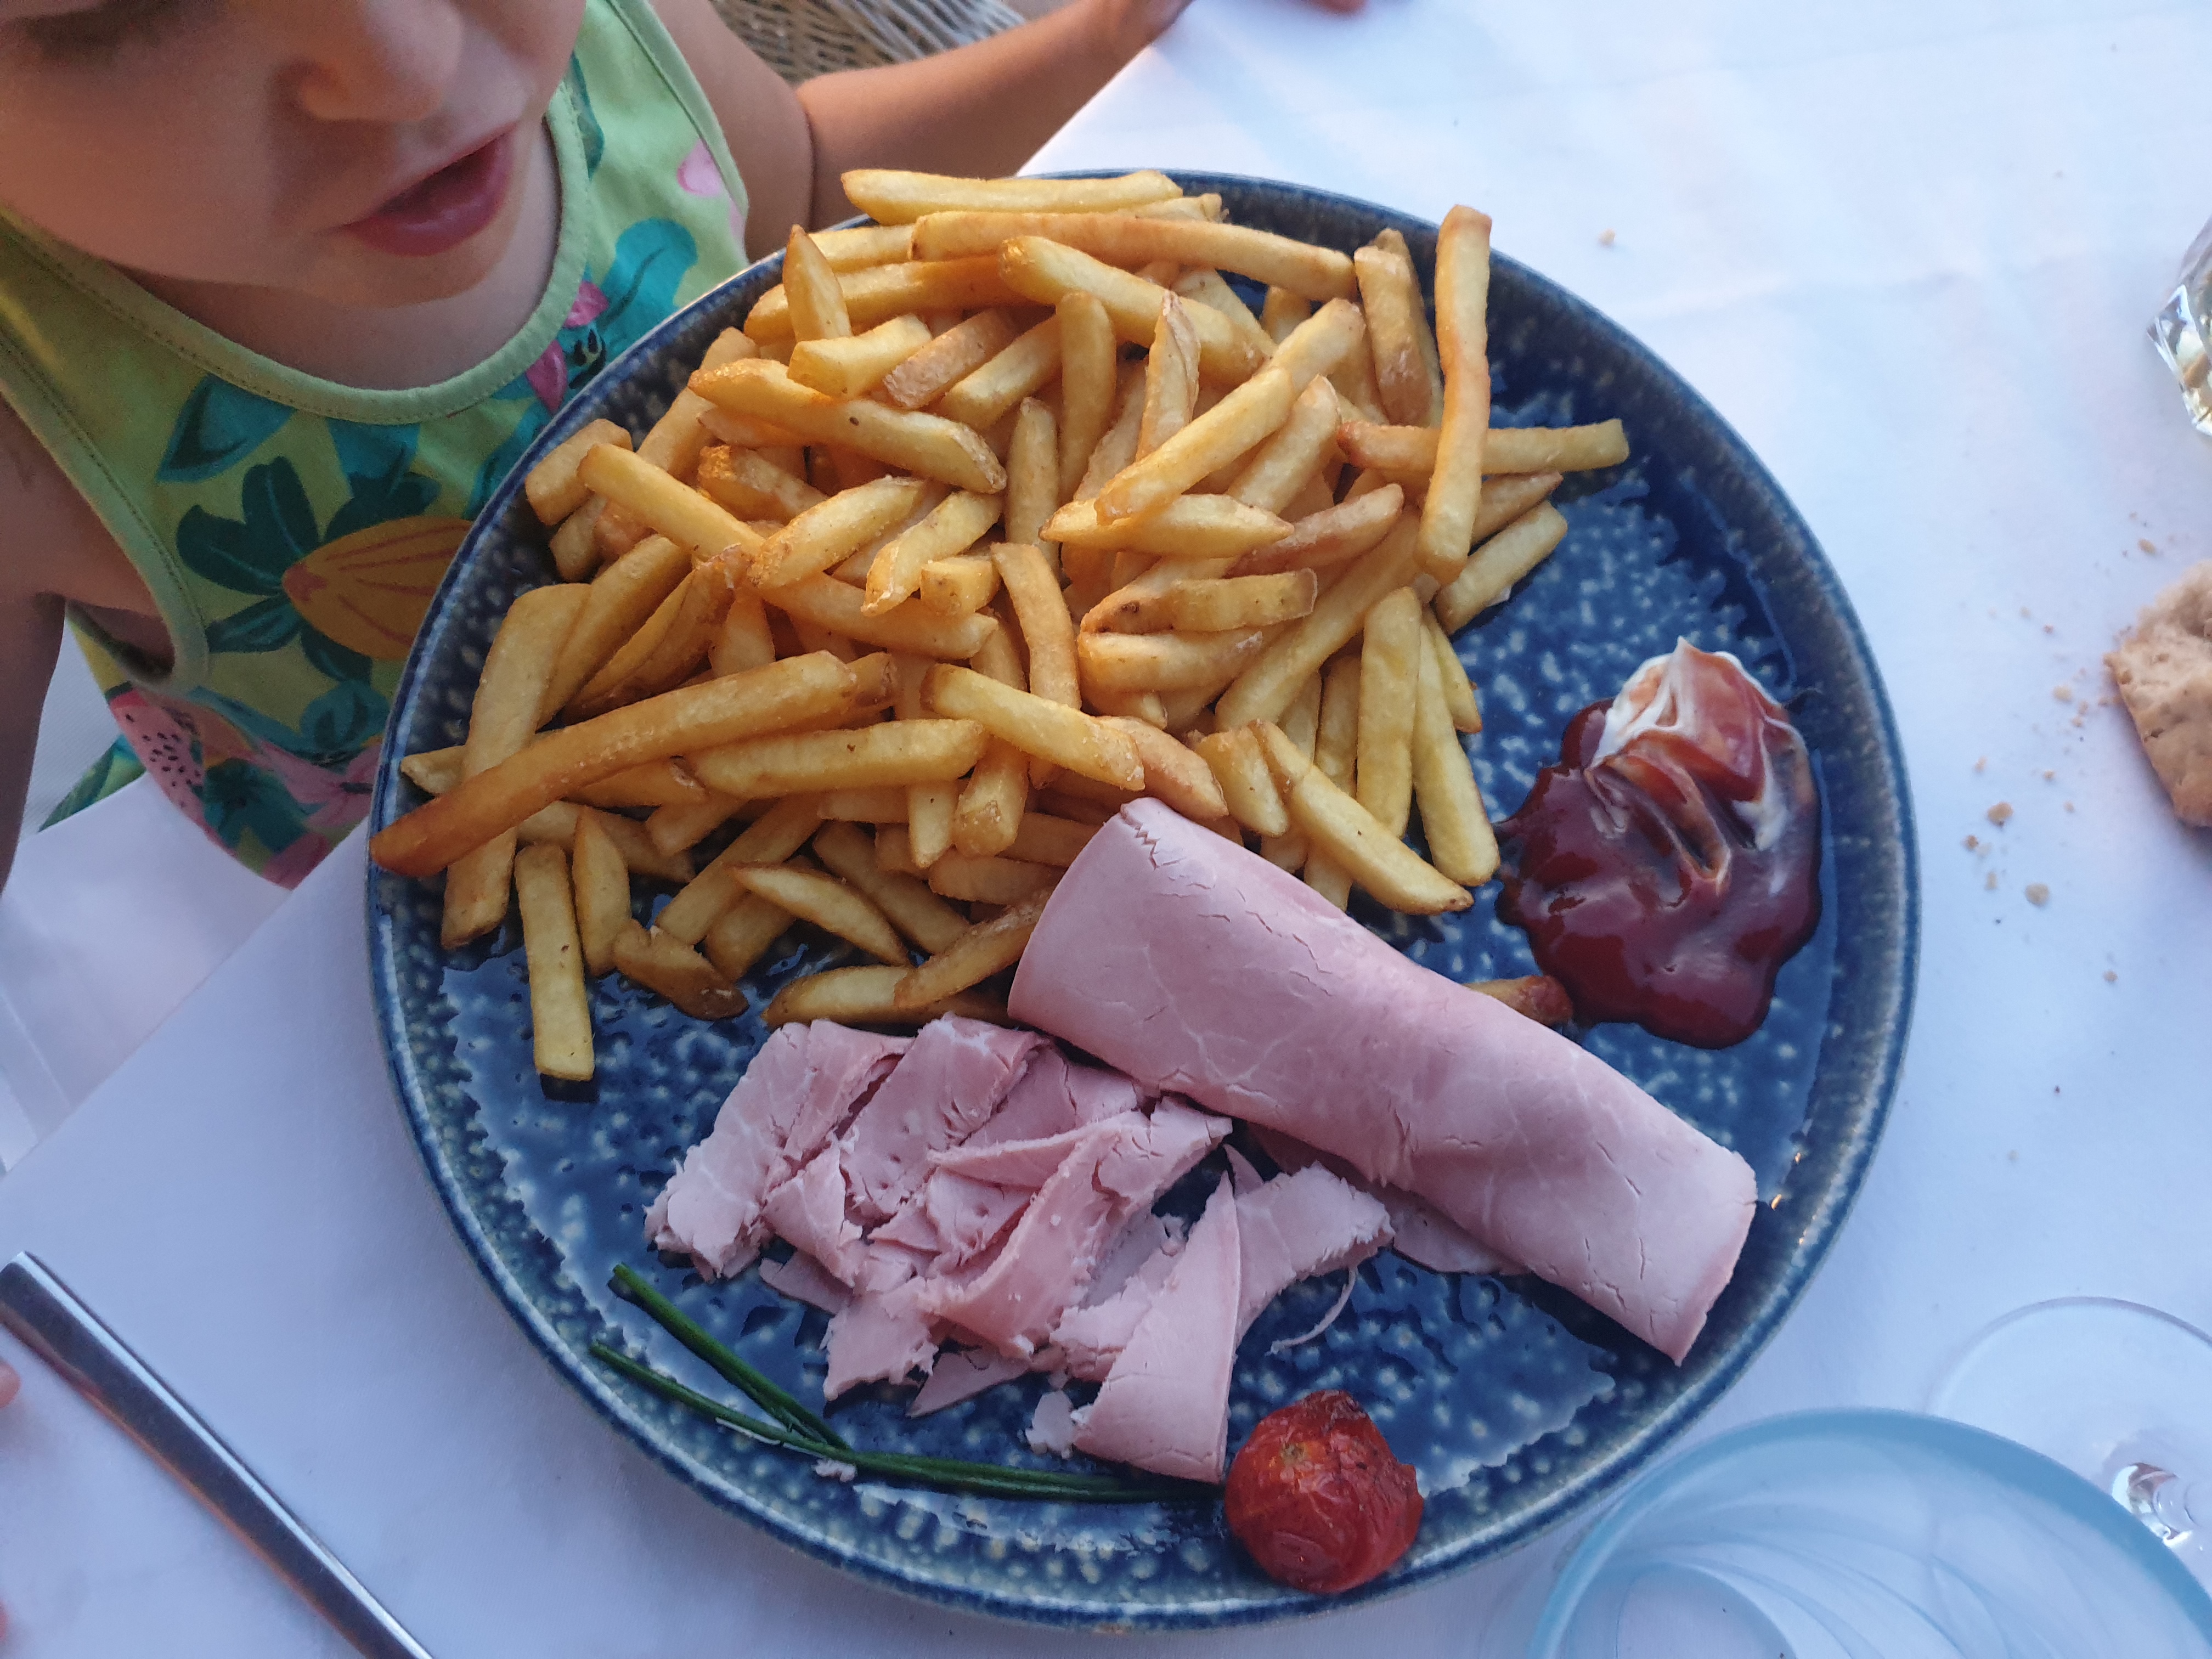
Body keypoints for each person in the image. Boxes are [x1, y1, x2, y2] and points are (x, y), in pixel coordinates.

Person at [0, 0, 1359, 898]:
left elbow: (806, 185)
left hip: (805, 829)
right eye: (109, 10)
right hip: (360, 914)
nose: (405, 61)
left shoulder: (600, 44)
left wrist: (1108, 34)